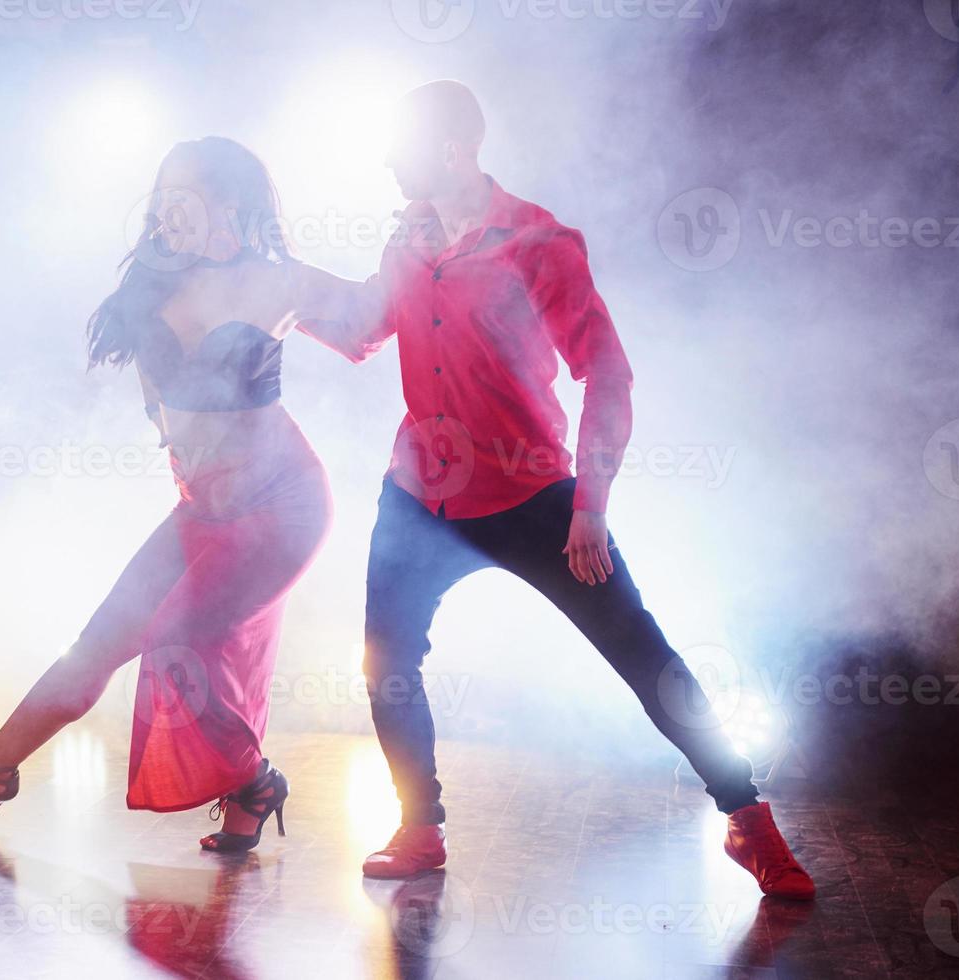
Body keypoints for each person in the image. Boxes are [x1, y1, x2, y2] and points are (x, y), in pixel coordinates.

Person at [316, 80, 815, 899]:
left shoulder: (537, 243)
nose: (384, 159)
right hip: (419, 495)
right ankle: (419, 828)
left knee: (641, 656)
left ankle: (745, 820)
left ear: (450, 147)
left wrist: (589, 505)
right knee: (387, 664)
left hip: (533, 496)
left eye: (398, 143)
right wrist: (272, 286)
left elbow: (606, 371)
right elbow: (359, 329)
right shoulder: (403, 241)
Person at [0, 136, 383, 853]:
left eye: (184, 194)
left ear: (230, 203)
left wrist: (429, 247)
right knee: (90, 651)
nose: (166, 211)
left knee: (177, 639)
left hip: (282, 507)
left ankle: (252, 779)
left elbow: (371, 321)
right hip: (201, 507)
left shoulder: (278, 281)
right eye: (160, 196)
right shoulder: (151, 288)